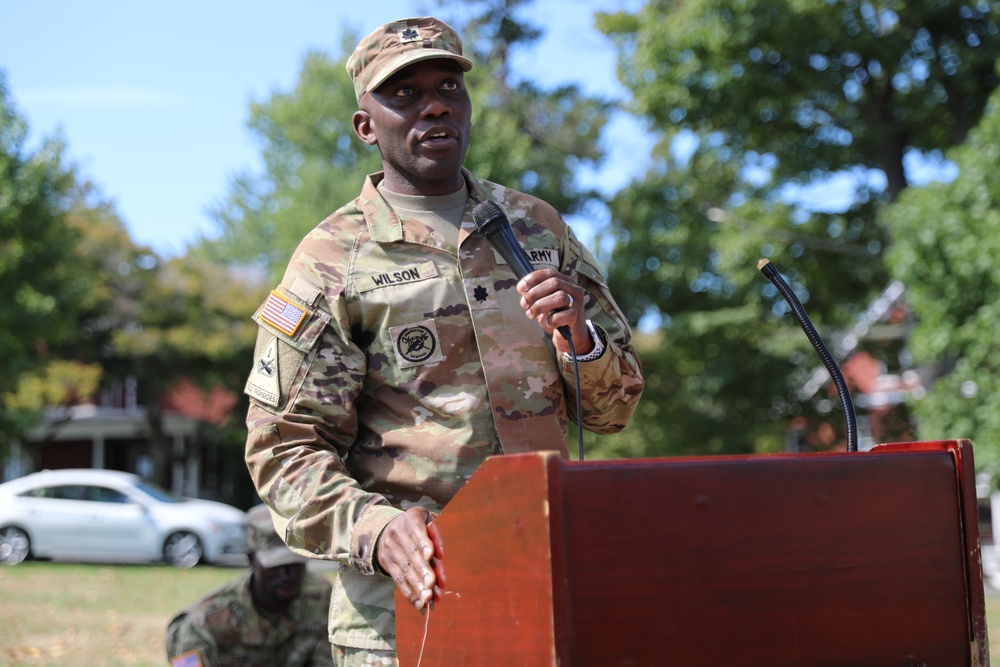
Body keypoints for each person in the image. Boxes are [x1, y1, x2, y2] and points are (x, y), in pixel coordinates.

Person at [242, 15, 644, 666]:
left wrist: (582, 343)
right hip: (406, 613)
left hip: (544, 592)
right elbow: (282, 450)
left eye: (448, 86)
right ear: (365, 126)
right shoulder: (332, 259)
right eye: (403, 93)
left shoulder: (536, 228)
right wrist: (377, 528)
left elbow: (615, 407)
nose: (433, 104)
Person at [165, 505, 334, 667]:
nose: (288, 574)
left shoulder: (323, 598)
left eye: (296, 563)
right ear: (251, 559)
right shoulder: (205, 623)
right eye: (276, 565)